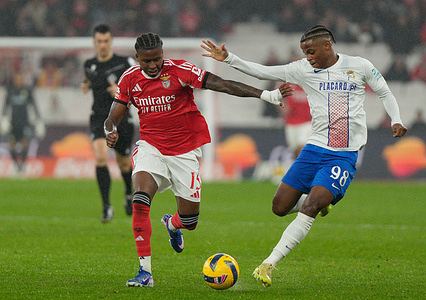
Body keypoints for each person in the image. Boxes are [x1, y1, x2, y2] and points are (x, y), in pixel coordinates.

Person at [202, 24, 408, 287]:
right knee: (279, 208)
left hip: (342, 155)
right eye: (304, 53)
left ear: (327, 46)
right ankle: (323, 202)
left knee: (310, 207)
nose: (308, 57)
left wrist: (396, 119)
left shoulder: (359, 66)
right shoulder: (303, 69)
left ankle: (268, 263)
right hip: (314, 149)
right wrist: (229, 59)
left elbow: (384, 91)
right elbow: (262, 70)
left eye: (311, 51)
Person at [103, 32, 292, 287]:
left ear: (163, 53)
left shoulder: (180, 70)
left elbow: (222, 84)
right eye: (147, 60)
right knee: (140, 200)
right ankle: (144, 272)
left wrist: (266, 95)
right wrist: (110, 129)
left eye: (157, 58)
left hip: (185, 151)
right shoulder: (130, 79)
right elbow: (113, 114)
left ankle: (173, 224)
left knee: (190, 221)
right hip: (151, 148)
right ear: (137, 58)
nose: (153, 65)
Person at [81, 24, 136, 223]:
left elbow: (140, 85)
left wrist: (122, 92)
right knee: (101, 158)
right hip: (98, 117)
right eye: (99, 41)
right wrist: (86, 86)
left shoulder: (125, 62)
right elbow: (90, 80)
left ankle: (129, 194)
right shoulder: (89, 64)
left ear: (111, 41)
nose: (102, 45)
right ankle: (106, 207)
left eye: (105, 41)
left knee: (123, 163)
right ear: (94, 42)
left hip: (120, 116)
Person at [1, 71, 44, 175]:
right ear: (14, 80)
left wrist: (38, 120)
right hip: (13, 123)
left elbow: (34, 106)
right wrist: (3, 119)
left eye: (20, 79)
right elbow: (5, 107)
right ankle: (16, 165)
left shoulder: (28, 91)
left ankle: (23, 166)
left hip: (25, 123)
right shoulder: (10, 91)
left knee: (25, 144)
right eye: (17, 79)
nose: (19, 81)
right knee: (12, 145)